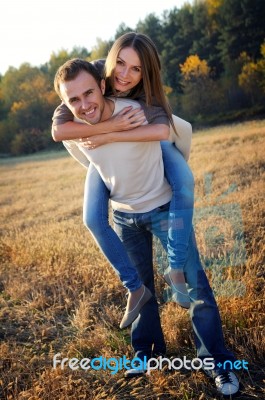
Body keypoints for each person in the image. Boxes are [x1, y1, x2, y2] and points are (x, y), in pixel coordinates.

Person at [53, 58, 240, 397]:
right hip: (124, 215)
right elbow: (60, 129)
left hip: (164, 207)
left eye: (88, 93)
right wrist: (103, 131)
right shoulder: (76, 123)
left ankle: (219, 364)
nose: (83, 105)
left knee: (196, 288)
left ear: (102, 84)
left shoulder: (135, 109)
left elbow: (164, 129)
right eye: (73, 100)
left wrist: (117, 128)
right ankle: (148, 355)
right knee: (140, 290)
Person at [52, 32, 194, 315]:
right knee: (92, 217)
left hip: (148, 138)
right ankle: (136, 291)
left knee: (185, 182)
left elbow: (164, 129)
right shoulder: (92, 75)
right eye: (120, 63)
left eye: (136, 69)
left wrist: (113, 135)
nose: (125, 74)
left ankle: (176, 269)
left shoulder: (145, 94)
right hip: (106, 150)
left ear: (145, 72)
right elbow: (59, 128)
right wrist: (109, 130)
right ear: (109, 63)